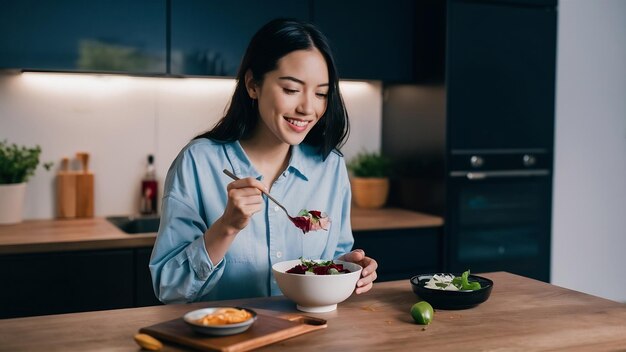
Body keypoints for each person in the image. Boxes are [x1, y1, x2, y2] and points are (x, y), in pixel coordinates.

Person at [150, 18, 378, 304]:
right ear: (252, 85)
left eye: (321, 93)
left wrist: (348, 268)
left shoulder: (329, 166)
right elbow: (169, 288)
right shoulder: (197, 162)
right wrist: (227, 227)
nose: (308, 107)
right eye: (291, 89)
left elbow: (332, 261)